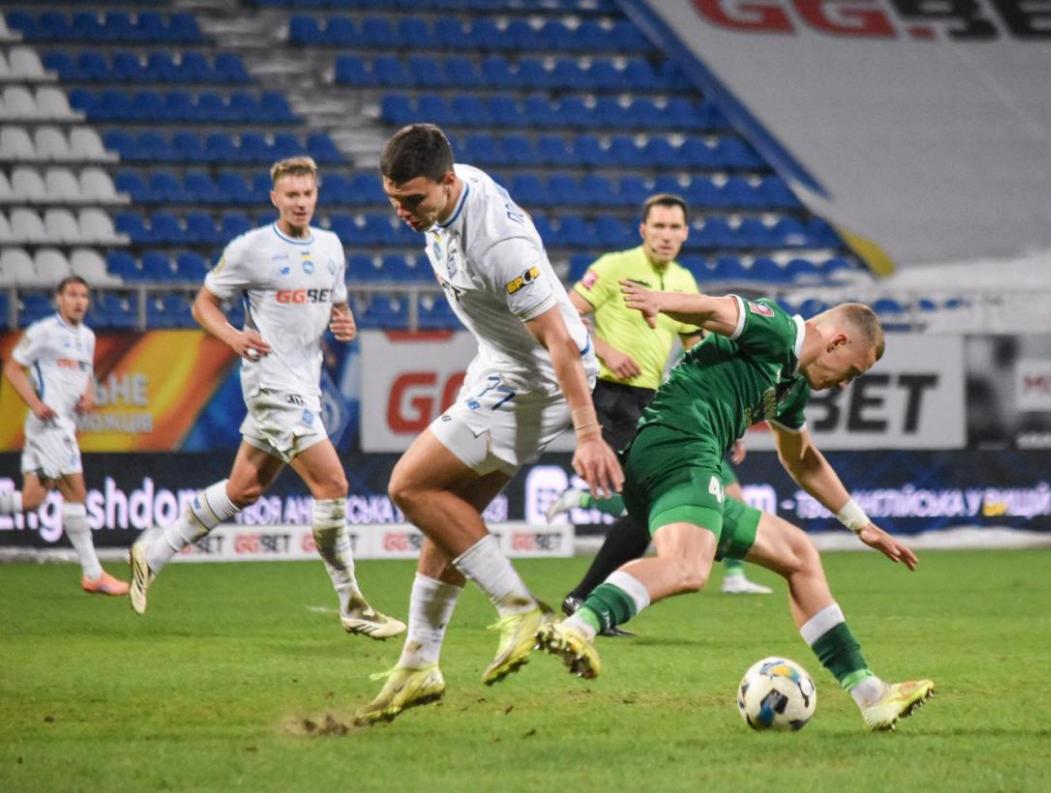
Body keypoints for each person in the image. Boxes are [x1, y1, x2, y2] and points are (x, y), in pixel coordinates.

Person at [537, 285, 935, 731]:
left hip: (675, 461)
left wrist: (861, 525)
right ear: (837, 341)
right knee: (688, 568)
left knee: (798, 554)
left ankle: (871, 696)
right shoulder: (781, 330)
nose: (845, 385)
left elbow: (803, 460)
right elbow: (715, 310)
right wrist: (660, 302)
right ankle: (576, 628)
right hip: (678, 444)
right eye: (852, 373)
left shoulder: (792, 388)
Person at [358, 123, 622, 723]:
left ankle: (518, 608)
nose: (402, 213)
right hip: (501, 365)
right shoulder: (448, 196)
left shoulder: (497, 243)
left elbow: (559, 340)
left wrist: (588, 434)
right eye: (393, 200)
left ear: (447, 183)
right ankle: (419, 664)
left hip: (535, 380)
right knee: (449, 516)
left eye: (413, 200)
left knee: (409, 485)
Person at [128, 156, 403, 641]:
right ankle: (352, 604)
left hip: (306, 384)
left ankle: (154, 551)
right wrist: (233, 336)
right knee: (333, 484)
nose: (300, 202)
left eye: (307, 194)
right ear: (275, 198)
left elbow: (337, 305)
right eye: (291, 195)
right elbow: (203, 305)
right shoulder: (251, 248)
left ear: (316, 195)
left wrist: (345, 322)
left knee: (244, 489)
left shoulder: (331, 246)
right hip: (272, 384)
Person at [545, 194, 771, 627]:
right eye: (659, 226)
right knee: (646, 507)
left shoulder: (684, 281)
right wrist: (606, 351)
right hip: (608, 394)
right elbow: (563, 317)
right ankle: (586, 598)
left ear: (685, 233)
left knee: (644, 509)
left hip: (651, 400)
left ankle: (585, 598)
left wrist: (728, 415)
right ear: (643, 230)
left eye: (674, 228)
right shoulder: (615, 266)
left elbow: (698, 350)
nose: (666, 235)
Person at [0, 277, 129, 595]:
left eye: (84, 295)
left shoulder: (88, 337)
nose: (79, 301)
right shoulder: (43, 331)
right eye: (72, 294)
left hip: (64, 425)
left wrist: (90, 394)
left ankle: (93, 574)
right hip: (50, 426)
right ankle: (93, 573)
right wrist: (35, 404)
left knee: (30, 500)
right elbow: (13, 368)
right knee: (76, 492)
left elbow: (86, 373)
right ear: (59, 299)